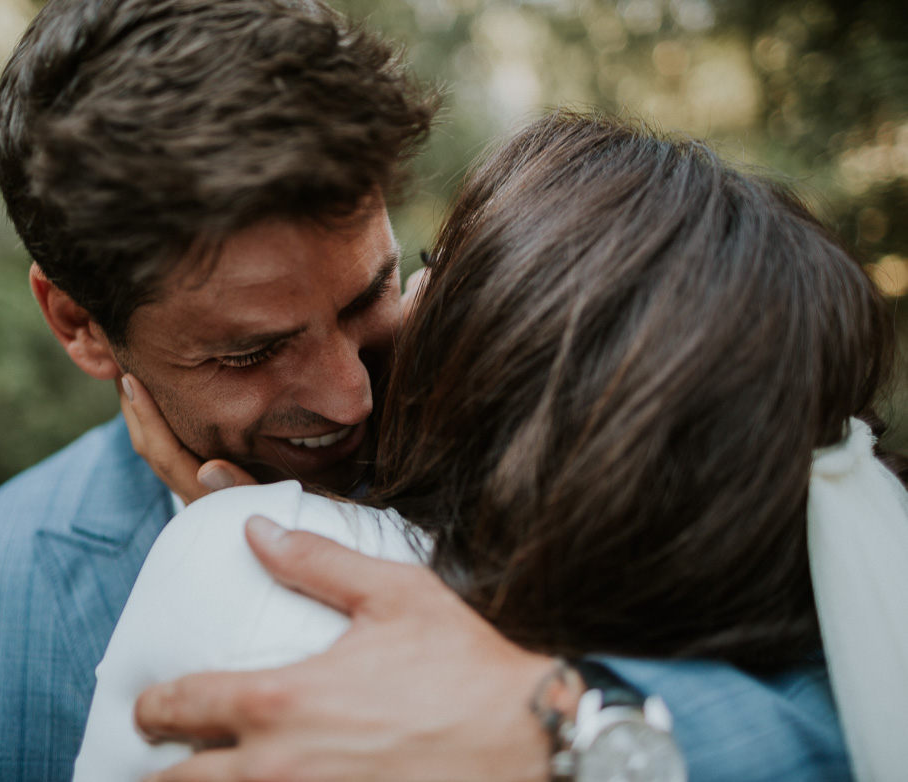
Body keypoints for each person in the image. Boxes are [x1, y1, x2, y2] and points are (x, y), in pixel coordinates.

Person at [0, 1, 854, 780]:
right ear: (79, 326)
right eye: (249, 353)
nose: (350, 396)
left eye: (367, 294)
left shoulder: (562, 392)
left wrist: (574, 734)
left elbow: (848, 686)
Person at [76, 112, 896, 781]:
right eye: (247, 352)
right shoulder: (836, 613)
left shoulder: (259, 569)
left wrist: (276, 537)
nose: (353, 389)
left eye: (429, 272)